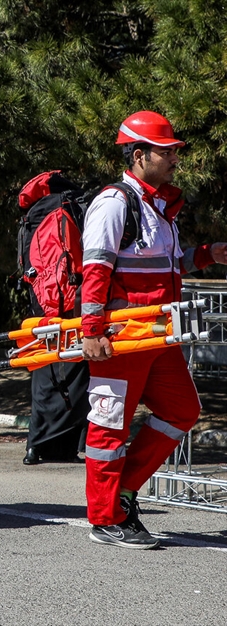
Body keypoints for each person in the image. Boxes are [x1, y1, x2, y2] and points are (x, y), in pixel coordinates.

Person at [80, 111, 227, 548]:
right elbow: (95, 270)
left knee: (182, 409)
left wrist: (208, 254)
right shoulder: (113, 203)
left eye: (175, 151)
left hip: (158, 334)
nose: (174, 160)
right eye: (167, 152)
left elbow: (170, 265)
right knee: (108, 428)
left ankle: (121, 493)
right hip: (122, 338)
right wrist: (93, 330)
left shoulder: (158, 208)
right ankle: (106, 517)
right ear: (139, 154)